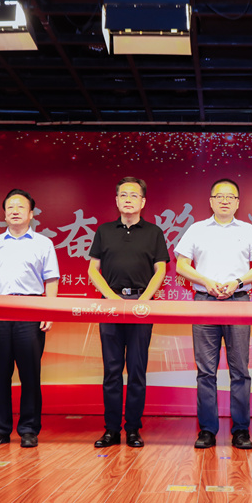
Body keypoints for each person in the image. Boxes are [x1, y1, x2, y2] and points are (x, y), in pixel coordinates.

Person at [175, 178, 252, 449]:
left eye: (231, 197)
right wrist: (206, 281)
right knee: (206, 371)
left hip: (238, 302)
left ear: (238, 203)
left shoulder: (248, 230)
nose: (225, 201)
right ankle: (207, 430)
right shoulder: (197, 229)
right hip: (204, 302)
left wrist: (237, 282)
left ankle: (241, 430)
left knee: (240, 370)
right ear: (211, 201)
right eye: (220, 196)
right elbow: (182, 265)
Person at [88, 177, 170, 448]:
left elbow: (161, 269)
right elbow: (92, 270)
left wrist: (143, 301)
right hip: (110, 305)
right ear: (116, 200)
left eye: (134, 195)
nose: (128, 199)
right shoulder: (104, 231)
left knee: (136, 370)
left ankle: (133, 429)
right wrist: (112, 299)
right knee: (112, 371)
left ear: (143, 202)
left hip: (141, 306)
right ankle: (111, 430)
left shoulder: (154, 232)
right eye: (123, 194)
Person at [0, 189, 59, 449]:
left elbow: (51, 279)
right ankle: (0, 429)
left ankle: (29, 429)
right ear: (4, 214)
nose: (14, 211)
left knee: (30, 374)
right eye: (10, 207)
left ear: (31, 214)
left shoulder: (43, 243)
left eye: (20, 207)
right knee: (0, 373)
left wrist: (49, 311)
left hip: (31, 310)